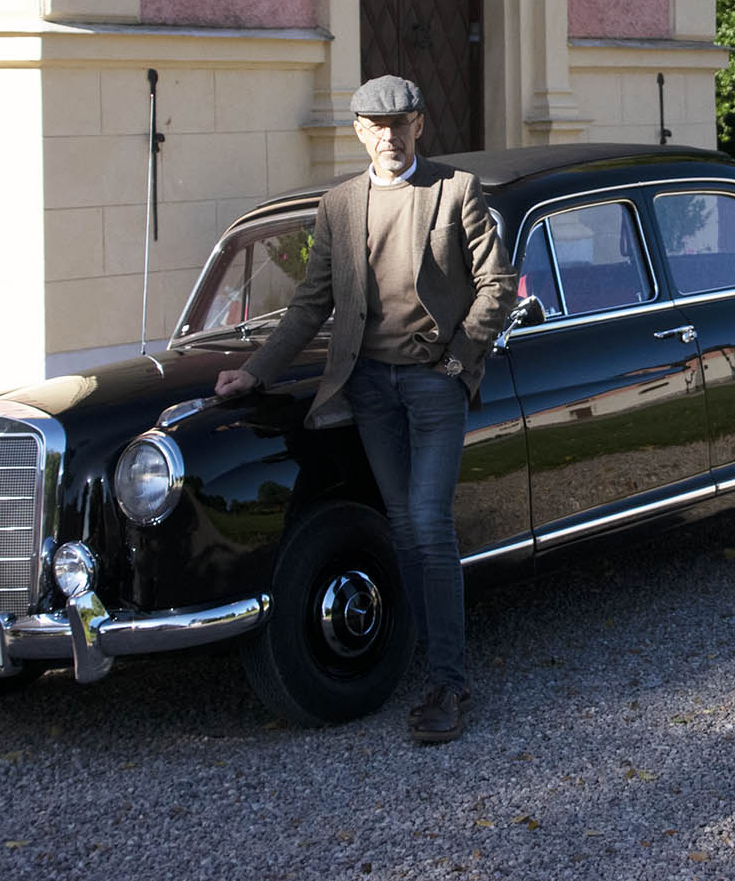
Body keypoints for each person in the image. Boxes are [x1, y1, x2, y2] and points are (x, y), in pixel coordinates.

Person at [214, 74, 516, 743]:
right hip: (370, 387)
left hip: (434, 384)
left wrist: (457, 362)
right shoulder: (340, 205)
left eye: (400, 123)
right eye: (375, 125)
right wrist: (254, 372)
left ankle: (448, 685)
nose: (388, 135)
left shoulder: (454, 190)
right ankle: (425, 658)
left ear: (419, 126)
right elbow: (309, 305)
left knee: (431, 526)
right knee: (405, 528)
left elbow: (496, 285)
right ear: (358, 131)